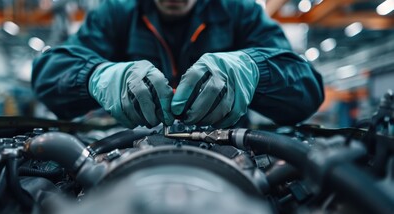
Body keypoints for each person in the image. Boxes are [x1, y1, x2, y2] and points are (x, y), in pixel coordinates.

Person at [31, 0, 324, 129]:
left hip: (229, 148)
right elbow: (49, 72)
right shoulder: (116, 13)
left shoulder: (240, 11)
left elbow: (306, 86)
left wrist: (254, 69)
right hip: (129, 147)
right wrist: (96, 75)